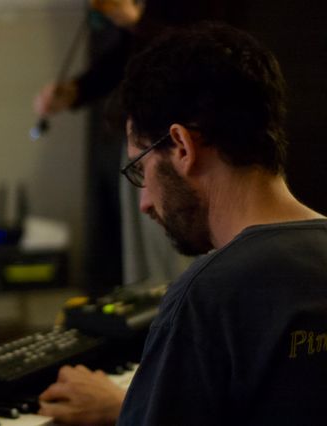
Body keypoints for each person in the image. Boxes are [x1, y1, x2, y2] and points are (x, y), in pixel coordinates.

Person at [38, 22, 327, 425]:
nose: (144, 203)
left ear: (182, 146)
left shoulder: (207, 296)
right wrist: (125, 408)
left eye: (140, 170)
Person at [34, 0, 228, 291]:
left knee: (173, 251)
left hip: (178, 142)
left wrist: (134, 19)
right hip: (145, 139)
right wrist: (76, 91)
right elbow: (123, 57)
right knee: (139, 254)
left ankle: (180, 313)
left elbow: (197, 53)